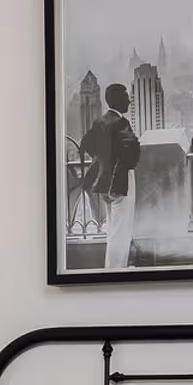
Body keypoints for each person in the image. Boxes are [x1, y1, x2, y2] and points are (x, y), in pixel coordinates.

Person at [80, 82, 140, 269]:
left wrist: (104, 161)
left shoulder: (100, 121)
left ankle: (111, 267)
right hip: (121, 181)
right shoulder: (121, 123)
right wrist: (119, 161)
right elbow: (133, 154)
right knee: (121, 231)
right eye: (126, 97)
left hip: (104, 183)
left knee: (112, 229)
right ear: (118, 100)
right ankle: (116, 269)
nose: (129, 101)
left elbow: (86, 144)